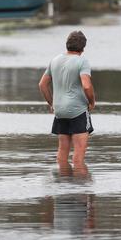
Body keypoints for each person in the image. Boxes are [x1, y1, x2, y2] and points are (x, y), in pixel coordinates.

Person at [39, 31, 95, 166]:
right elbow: (87, 86)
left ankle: (63, 183)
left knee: (62, 153)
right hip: (78, 110)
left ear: (67, 45)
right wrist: (92, 101)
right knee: (78, 156)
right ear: (83, 48)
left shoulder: (55, 60)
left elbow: (42, 85)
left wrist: (52, 103)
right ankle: (78, 185)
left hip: (59, 111)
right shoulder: (82, 61)